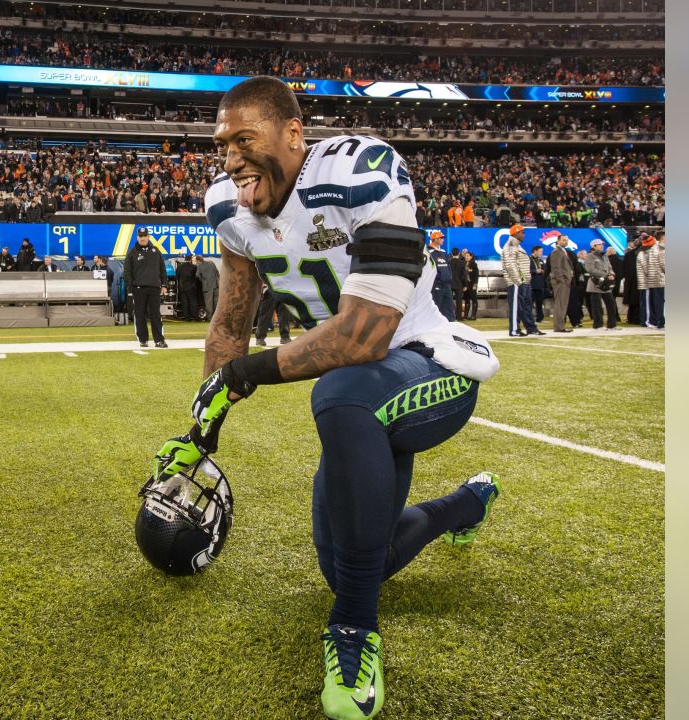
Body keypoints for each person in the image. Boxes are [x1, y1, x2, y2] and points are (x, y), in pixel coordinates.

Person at [152, 78, 501, 720]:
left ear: (293, 134)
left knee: (340, 394)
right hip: (363, 395)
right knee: (352, 562)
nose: (231, 160)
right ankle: (464, 505)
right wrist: (203, 424)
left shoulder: (359, 170)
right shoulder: (228, 210)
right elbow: (230, 324)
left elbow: (365, 334)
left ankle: (353, 634)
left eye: (244, 140)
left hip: (431, 368)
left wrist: (247, 375)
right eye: (222, 144)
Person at [124, 227, 167, 347]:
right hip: (139, 289)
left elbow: (162, 269)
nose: (143, 238)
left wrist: (164, 284)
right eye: (140, 236)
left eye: (145, 236)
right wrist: (131, 287)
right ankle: (143, 339)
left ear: (148, 237)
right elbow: (127, 272)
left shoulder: (156, 251)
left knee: (155, 315)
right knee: (139, 314)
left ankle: (159, 340)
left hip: (154, 288)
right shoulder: (132, 253)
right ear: (137, 237)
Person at [501, 225, 541, 336]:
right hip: (516, 283)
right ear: (516, 233)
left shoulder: (517, 246)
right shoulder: (510, 246)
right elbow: (510, 265)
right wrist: (518, 281)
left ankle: (531, 328)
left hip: (524, 282)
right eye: (522, 232)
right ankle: (514, 330)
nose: (524, 235)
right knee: (516, 307)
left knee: (526, 306)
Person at [583, 239, 619, 330]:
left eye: (602, 244)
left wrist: (612, 274)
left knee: (611, 304)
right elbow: (590, 269)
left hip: (605, 284)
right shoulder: (590, 256)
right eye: (599, 244)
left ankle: (612, 325)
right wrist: (606, 275)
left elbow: (610, 267)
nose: (601, 246)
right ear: (593, 246)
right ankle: (598, 325)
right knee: (597, 306)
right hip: (595, 284)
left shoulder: (605, 256)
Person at [637, 231, 665, 329]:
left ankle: (652, 321)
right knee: (648, 304)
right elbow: (647, 269)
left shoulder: (646, 252)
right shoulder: (644, 253)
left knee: (650, 303)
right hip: (647, 282)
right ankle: (648, 321)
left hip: (650, 281)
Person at [548, 232, 574, 333]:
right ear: (558, 241)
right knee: (560, 304)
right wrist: (562, 280)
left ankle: (560, 326)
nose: (565, 241)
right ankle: (559, 327)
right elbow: (556, 268)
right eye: (563, 240)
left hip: (564, 281)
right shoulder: (556, 252)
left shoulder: (562, 251)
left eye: (566, 240)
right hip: (561, 282)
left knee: (563, 304)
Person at [427, 231, 455, 320]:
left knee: (449, 307)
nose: (443, 240)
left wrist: (449, 277)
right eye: (441, 238)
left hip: (446, 285)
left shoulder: (443, 252)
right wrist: (437, 279)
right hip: (436, 285)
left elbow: (448, 266)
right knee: (435, 308)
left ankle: (451, 328)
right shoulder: (428, 252)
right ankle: (432, 329)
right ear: (435, 239)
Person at [623, 236, 641, 325]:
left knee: (631, 302)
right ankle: (637, 319)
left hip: (629, 280)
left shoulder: (628, 254)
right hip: (638, 280)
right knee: (638, 301)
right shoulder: (641, 253)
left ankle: (630, 318)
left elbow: (624, 268)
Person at [176, 253, 200, 320]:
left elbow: (177, 277)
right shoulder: (194, 267)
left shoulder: (179, 267)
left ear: (185, 259)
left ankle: (187, 317)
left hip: (182, 287)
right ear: (190, 260)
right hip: (191, 287)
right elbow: (197, 277)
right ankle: (195, 317)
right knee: (193, 302)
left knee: (185, 302)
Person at [195, 254, 219, 319]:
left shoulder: (200, 266)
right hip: (216, 285)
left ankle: (209, 317)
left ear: (198, 260)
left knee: (208, 303)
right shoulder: (211, 263)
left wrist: (203, 280)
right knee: (216, 303)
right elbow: (217, 272)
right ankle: (216, 318)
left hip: (207, 287)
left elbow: (197, 275)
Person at [529, 245, 547, 323]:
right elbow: (526, 270)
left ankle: (540, 318)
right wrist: (535, 271)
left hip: (540, 284)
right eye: (540, 251)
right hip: (531, 284)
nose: (541, 253)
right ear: (535, 251)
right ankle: (529, 319)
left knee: (539, 302)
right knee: (530, 303)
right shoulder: (528, 260)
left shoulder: (541, 260)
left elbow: (544, 269)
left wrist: (543, 271)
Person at [461, 250, 479, 321]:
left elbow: (476, 275)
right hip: (466, 285)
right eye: (465, 256)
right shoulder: (464, 263)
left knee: (474, 300)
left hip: (472, 285)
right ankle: (465, 315)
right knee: (466, 300)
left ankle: (473, 315)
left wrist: (475, 284)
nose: (466, 257)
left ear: (471, 256)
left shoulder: (474, 264)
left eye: (468, 256)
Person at [448, 248, 466, 320]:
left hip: (449, 284)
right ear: (459, 253)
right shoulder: (462, 263)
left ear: (451, 254)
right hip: (459, 284)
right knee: (459, 301)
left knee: (449, 301)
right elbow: (464, 275)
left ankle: (450, 316)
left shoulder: (448, 262)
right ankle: (458, 317)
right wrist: (465, 285)